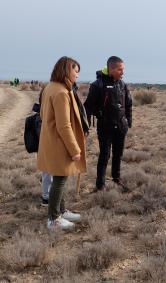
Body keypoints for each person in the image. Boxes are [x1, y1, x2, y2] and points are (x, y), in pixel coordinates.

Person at [37, 56, 87, 229]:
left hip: (51, 140)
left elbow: (44, 116)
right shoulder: (61, 92)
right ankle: (54, 219)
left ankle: (62, 210)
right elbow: (64, 125)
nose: (77, 75)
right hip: (59, 142)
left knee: (61, 176)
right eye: (76, 71)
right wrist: (75, 149)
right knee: (60, 178)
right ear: (67, 70)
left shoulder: (50, 87)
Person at [84, 56, 132, 192]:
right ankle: (100, 185)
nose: (122, 72)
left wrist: (128, 122)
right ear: (111, 69)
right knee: (105, 155)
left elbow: (128, 104)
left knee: (118, 154)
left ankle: (116, 178)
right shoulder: (97, 84)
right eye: (120, 69)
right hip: (105, 127)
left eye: (123, 69)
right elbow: (87, 106)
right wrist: (85, 125)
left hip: (121, 126)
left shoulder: (122, 85)